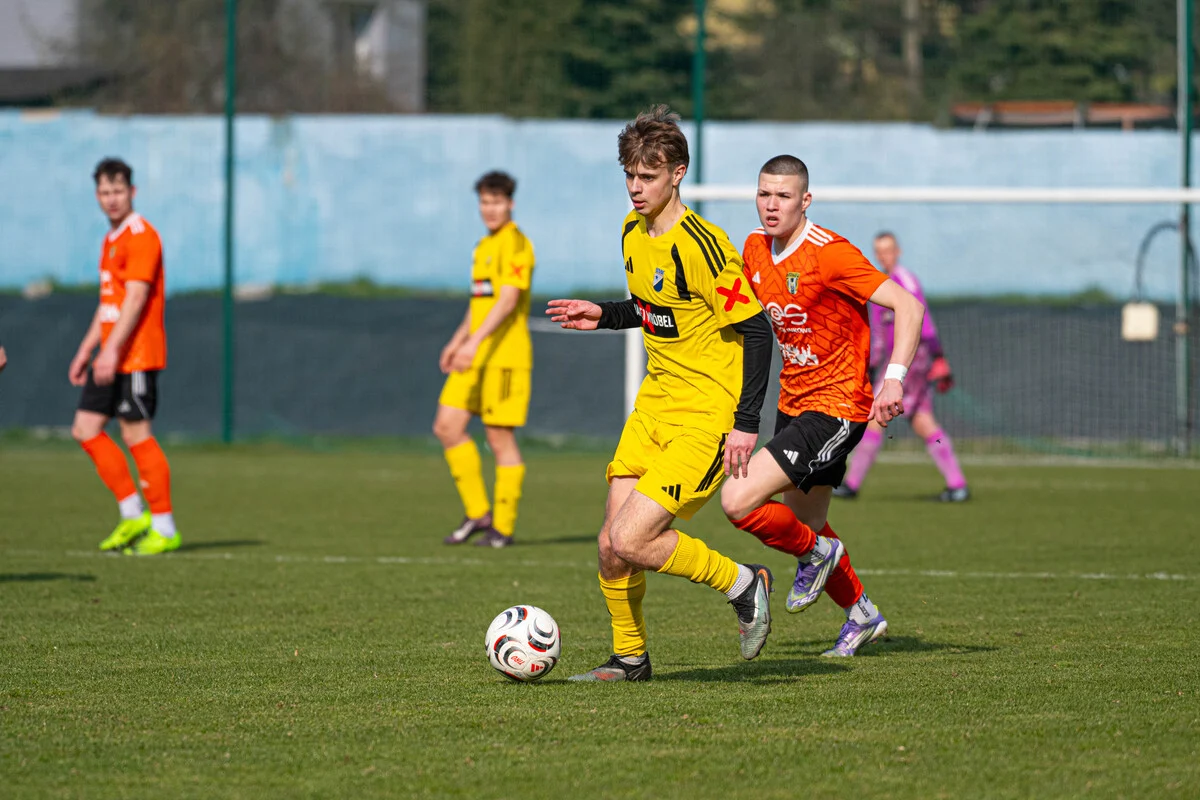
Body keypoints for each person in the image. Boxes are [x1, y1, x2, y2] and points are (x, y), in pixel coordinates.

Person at [547, 105, 777, 682]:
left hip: (705, 416)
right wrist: (602, 315)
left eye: (646, 176)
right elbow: (655, 310)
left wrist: (745, 423)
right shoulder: (631, 231)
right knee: (609, 545)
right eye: (628, 174)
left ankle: (742, 582)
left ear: (677, 174)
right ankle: (630, 658)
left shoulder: (702, 244)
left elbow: (755, 328)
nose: (634, 187)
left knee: (631, 536)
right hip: (652, 408)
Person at [720, 156, 925, 657]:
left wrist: (893, 380)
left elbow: (908, 306)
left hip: (837, 408)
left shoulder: (830, 254)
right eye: (764, 194)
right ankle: (861, 613)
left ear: (804, 200)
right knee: (807, 526)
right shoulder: (753, 249)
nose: (772, 205)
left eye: (784, 196)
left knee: (737, 500)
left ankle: (820, 554)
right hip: (792, 404)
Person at [70, 158, 179, 555]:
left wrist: (112, 350)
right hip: (110, 353)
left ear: (132, 192)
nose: (111, 199)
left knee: (136, 434)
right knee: (85, 429)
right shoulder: (111, 238)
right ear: (97, 196)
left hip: (135, 355)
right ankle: (133, 514)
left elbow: (134, 300)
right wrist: (87, 350)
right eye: (104, 192)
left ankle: (164, 527)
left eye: (118, 191)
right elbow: (110, 306)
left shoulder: (141, 235)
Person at [435, 171, 535, 548]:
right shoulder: (483, 246)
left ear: (510, 203)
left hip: (505, 357)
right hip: (473, 352)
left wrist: (474, 342)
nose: (489, 209)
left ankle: (503, 528)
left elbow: (508, 300)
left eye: (496, 202)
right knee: (447, 425)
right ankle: (478, 512)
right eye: (484, 202)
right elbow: (480, 303)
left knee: (498, 439)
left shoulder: (517, 244)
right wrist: (458, 340)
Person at [836, 232, 969, 502]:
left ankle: (851, 483)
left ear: (897, 251)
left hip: (910, 359)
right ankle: (957, 485)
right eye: (879, 251)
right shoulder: (881, 285)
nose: (883, 255)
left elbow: (922, 319)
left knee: (875, 415)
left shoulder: (905, 280)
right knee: (922, 420)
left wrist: (938, 356)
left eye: (888, 250)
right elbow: (880, 335)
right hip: (896, 361)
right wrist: (873, 363)